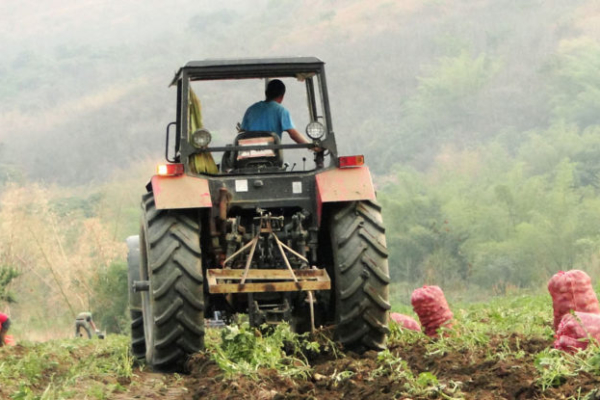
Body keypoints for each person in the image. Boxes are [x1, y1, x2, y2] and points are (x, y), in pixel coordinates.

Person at [241, 79, 312, 145]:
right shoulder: (281, 111)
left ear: (266, 93)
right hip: (272, 154)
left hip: (251, 153)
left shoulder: (251, 109)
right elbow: (293, 134)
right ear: (282, 96)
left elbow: (242, 132)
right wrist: (311, 146)